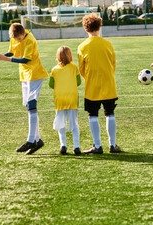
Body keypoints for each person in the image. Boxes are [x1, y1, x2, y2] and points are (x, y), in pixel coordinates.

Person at [0, 23, 48, 154]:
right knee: (28, 107)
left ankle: (31, 140)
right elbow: (11, 52)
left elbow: (25, 60)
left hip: (35, 73)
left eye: (19, 39)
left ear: (23, 33)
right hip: (24, 74)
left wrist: (6, 59)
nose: (17, 41)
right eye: (15, 39)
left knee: (32, 105)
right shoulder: (14, 38)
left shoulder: (30, 40)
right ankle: (37, 140)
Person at [78, 13, 122, 154]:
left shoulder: (82, 46)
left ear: (86, 29)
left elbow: (81, 69)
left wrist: (90, 78)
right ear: (100, 26)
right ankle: (112, 145)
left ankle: (97, 146)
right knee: (110, 113)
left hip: (92, 85)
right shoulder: (107, 44)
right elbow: (113, 64)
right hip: (109, 83)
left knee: (93, 114)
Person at [49, 46, 81, 155]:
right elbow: (79, 82)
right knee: (74, 123)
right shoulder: (74, 67)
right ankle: (76, 147)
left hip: (60, 99)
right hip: (72, 98)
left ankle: (63, 145)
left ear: (58, 57)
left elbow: (51, 84)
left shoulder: (54, 70)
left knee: (61, 123)